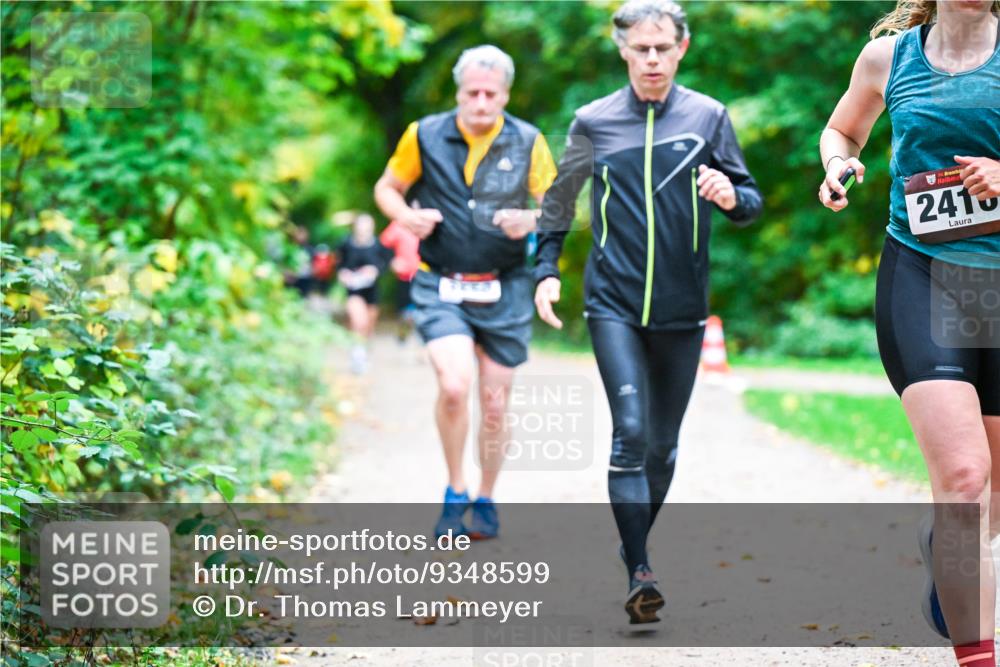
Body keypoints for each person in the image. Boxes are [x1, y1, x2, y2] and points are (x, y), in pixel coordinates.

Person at [533, 0, 763, 624]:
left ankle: (632, 539)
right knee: (631, 433)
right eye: (641, 49)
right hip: (612, 303)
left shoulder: (708, 117)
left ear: (681, 48)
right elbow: (559, 199)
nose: (653, 59)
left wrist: (730, 194)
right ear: (623, 50)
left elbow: (750, 200)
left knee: (661, 449)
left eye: (663, 48)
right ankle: (641, 570)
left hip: (683, 310)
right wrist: (546, 270)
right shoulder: (593, 120)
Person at [818, 1, 999, 664]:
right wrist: (837, 164)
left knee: (991, 503)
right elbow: (842, 130)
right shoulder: (887, 59)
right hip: (922, 276)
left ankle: (943, 548)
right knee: (964, 477)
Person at [373, 45, 557, 538]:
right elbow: (387, 187)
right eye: (471, 92)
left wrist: (531, 219)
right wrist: (405, 216)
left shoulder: (528, 140)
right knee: (454, 386)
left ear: (505, 95)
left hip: (505, 285)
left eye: (490, 94)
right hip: (441, 282)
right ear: (458, 92)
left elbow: (558, 207)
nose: (480, 102)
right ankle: (455, 490)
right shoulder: (424, 134)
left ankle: (486, 498)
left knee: (494, 403)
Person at [337, 213, 392, 375]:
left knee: (368, 324)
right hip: (353, 289)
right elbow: (339, 264)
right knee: (358, 320)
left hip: (372, 291)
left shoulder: (378, 245)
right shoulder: (345, 244)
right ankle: (357, 354)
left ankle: (363, 351)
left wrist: (374, 271)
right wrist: (343, 274)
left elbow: (385, 264)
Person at [379, 214, 421, 343]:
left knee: (423, 309)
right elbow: (382, 245)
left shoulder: (429, 220)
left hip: (425, 275)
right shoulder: (399, 224)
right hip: (405, 277)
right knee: (406, 312)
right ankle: (403, 333)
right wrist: (391, 261)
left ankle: (421, 341)